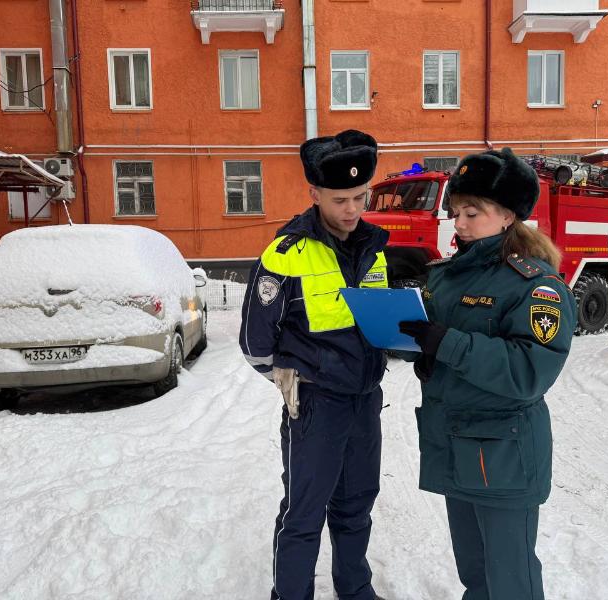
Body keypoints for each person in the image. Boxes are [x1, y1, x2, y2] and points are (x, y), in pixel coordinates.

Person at [397, 147, 576, 600]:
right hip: (456, 444)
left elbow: (528, 371)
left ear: (507, 217)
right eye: (456, 212)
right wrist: (417, 346)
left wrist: (448, 344)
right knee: (475, 573)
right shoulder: (445, 276)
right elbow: (441, 346)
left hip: (504, 456)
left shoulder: (536, 286)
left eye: (471, 213)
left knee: (510, 578)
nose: (458, 223)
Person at [239, 130, 389, 600]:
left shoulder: (374, 247)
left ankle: (354, 589)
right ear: (315, 194)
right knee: (304, 513)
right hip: (317, 404)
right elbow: (254, 340)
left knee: (356, 506)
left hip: (364, 401)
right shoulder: (286, 255)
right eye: (340, 198)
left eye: (360, 196)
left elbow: (377, 317)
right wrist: (288, 380)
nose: (351, 209)